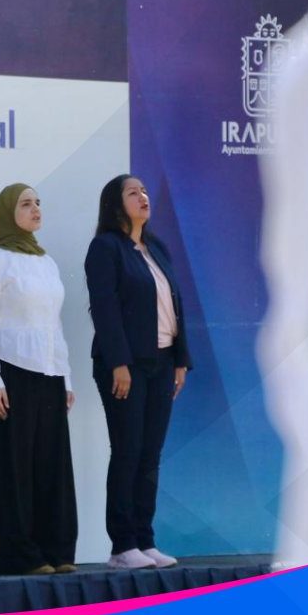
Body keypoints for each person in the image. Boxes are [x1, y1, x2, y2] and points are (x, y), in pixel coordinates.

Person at [84, 174, 192, 570]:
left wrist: (180, 360)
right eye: (133, 192)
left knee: (150, 454)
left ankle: (145, 540)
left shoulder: (156, 247)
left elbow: (174, 307)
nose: (143, 196)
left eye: (144, 191)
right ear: (115, 204)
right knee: (128, 451)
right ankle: (122, 545)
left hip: (162, 363)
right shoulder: (105, 248)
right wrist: (119, 363)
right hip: (125, 366)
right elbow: (105, 309)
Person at [0, 183, 77, 576]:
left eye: (38, 203)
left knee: (52, 464)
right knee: (13, 467)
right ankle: (21, 555)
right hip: (11, 369)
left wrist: (66, 378)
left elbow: (54, 324)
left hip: (49, 372)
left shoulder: (46, 262)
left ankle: (57, 550)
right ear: (7, 212)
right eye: (26, 204)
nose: (35, 209)